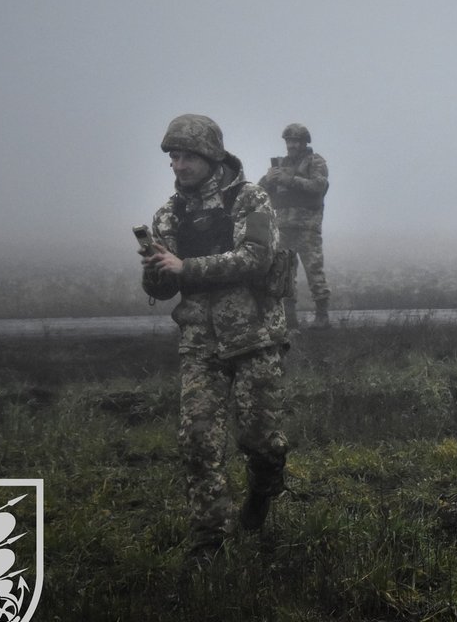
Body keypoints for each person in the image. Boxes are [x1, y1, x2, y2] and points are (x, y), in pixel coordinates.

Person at [140, 114, 291, 560]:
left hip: (256, 338)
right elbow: (162, 289)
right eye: (173, 157)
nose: (178, 165)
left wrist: (188, 267)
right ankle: (208, 544)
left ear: (210, 156)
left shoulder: (250, 199)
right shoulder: (168, 214)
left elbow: (256, 259)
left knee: (260, 441)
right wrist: (155, 271)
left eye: (187, 156)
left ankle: (265, 484)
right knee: (197, 443)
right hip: (199, 344)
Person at [258, 123, 331, 327]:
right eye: (289, 141)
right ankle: (289, 318)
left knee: (314, 270)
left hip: (307, 227)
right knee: (284, 273)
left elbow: (318, 186)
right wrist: (268, 180)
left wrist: (290, 180)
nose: (292, 145)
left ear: (305, 142)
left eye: (297, 141)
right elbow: (259, 192)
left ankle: (322, 316)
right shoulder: (280, 165)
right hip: (283, 227)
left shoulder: (316, 162)